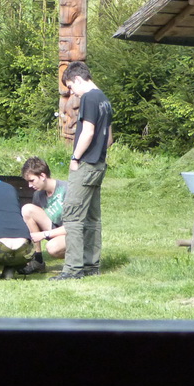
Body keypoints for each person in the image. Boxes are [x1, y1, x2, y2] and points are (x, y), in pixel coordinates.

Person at [51, 61, 113, 281]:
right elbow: (109, 138)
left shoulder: (89, 98)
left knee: (73, 216)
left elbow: (88, 132)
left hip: (86, 165)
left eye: (71, 86)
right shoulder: (104, 99)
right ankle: (91, 266)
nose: (72, 92)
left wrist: (75, 157)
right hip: (99, 165)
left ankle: (73, 269)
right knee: (92, 218)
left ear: (78, 79)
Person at [18, 157, 68, 275]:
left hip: (75, 233)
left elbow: (74, 226)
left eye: (32, 180)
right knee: (27, 209)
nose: (30, 185)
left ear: (42, 176)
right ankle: (38, 260)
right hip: (56, 231)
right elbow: (33, 223)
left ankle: (82, 259)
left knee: (52, 247)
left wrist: (43, 234)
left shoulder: (67, 190)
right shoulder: (38, 195)